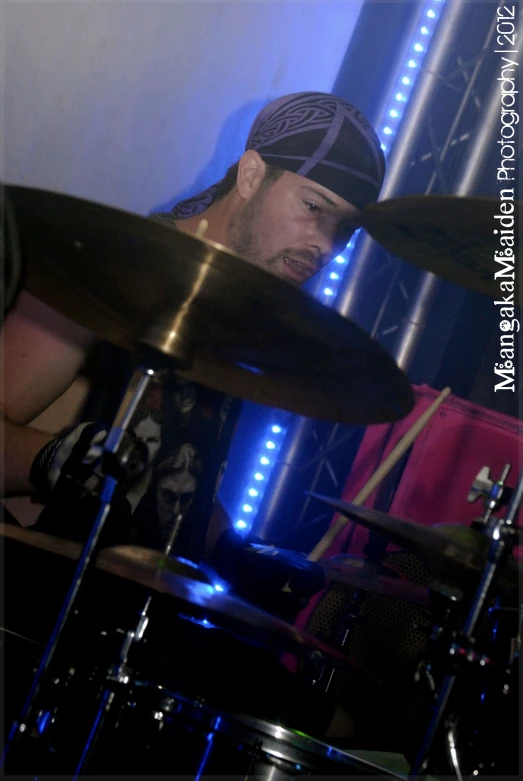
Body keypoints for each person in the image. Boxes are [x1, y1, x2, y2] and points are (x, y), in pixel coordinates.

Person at [1, 92, 386, 748]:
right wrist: (60, 457)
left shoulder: (238, 319)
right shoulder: (108, 274)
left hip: (144, 617)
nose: (323, 246)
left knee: (343, 733)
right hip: (42, 612)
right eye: (313, 209)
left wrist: (241, 552)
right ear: (250, 174)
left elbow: (166, 500)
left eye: (341, 229)